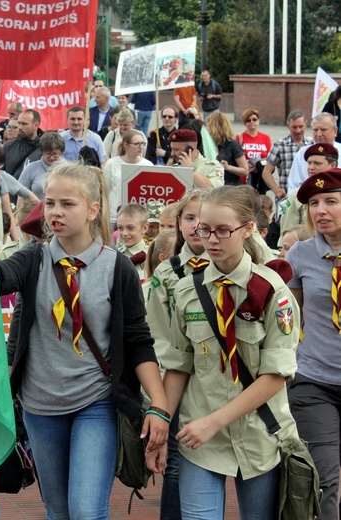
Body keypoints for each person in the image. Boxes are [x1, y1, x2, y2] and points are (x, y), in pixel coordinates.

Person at [0, 162, 169, 519]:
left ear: (93, 210)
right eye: (50, 202)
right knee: (58, 511)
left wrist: (160, 407)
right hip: (39, 405)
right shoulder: (33, 258)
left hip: (96, 402)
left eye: (67, 204)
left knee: (87, 511)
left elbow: (138, 341)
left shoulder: (116, 268)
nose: (55, 211)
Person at [159, 185, 300, 520]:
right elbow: (179, 363)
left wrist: (214, 422)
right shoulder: (186, 289)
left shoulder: (271, 291)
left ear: (248, 228)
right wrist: (162, 420)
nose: (211, 239)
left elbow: (276, 374)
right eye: (204, 229)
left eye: (223, 230)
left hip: (258, 435)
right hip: (199, 437)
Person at [145, 189, 208, 520]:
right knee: (177, 460)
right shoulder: (166, 273)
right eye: (189, 218)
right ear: (178, 225)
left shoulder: (235, 266)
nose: (197, 226)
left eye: (204, 218)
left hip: (223, 376)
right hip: (179, 378)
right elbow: (157, 332)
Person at [286, 168, 341, 520]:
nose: (320, 210)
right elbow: (291, 321)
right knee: (324, 481)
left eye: (331, 202)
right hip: (314, 382)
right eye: (314, 204)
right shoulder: (301, 255)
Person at [280, 143, 338, 234]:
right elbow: (287, 232)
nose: (310, 167)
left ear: (333, 165)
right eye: (309, 163)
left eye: (317, 163)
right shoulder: (297, 195)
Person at [103, 130, 153, 226]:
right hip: (114, 217)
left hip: (138, 218)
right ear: (126, 145)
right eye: (137, 144)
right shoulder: (112, 163)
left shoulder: (148, 164)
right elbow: (106, 190)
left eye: (142, 143)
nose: (141, 147)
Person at [262, 110, 312, 199]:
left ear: (306, 124)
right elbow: (266, 172)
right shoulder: (279, 145)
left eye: (301, 126)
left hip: (308, 195)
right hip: (287, 197)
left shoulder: (312, 144)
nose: (298, 130)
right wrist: (276, 190)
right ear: (288, 126)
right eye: (294, 127)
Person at [287, 112, 341, 193]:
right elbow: (293, 188)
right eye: (315, 130)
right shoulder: (302, 154)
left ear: (335, 131)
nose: (318, 134)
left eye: (323, 130)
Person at [18, 132, 65, 200]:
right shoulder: (31, 168)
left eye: (55, 154)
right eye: (48, 154)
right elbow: (21, 194)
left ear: (61, 152)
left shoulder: (68, 169)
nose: (52, 158)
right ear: (42, 152)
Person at [206, 112, 250, 185]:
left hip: (231, 187)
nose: (206, 128)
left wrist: (227, 167)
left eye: (208, 125)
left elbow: (245, 171)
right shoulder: (208, 144)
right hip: (213, 186)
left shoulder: (232, 144)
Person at [4, 109, 44, 179]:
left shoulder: (45, 147)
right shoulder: (8, 146)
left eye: (24, 124)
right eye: (19, 123)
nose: (20, 127)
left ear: (36, 125)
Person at [116, 203, 149, 274]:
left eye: (130, 228)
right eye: (120, 228)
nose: (124, 233)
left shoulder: (149, 256)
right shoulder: (115, 254)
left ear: (144, 228)